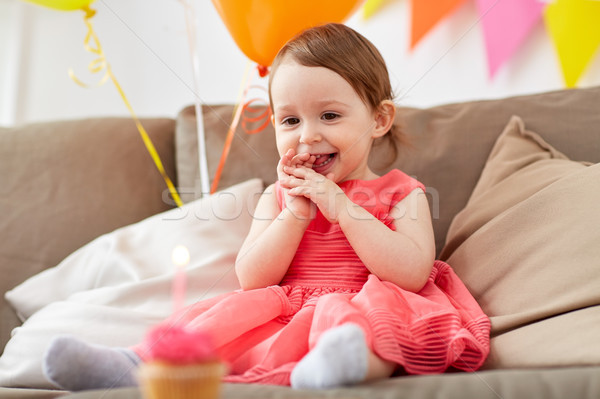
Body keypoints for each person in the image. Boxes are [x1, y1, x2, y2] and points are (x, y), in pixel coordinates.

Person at [42, 23, 490, 391]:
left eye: (330, 116)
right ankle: (132, 365)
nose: (308, 135)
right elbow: (252, 279)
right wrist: (295, 211)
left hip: (368, 302)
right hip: (287, 310)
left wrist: (338, 205)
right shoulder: (277, 198)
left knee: (364, 328)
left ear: (378, 119)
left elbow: (411, 273)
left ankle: (337, 368)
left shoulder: (401, 191)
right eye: (291, 120)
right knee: (216, 320)